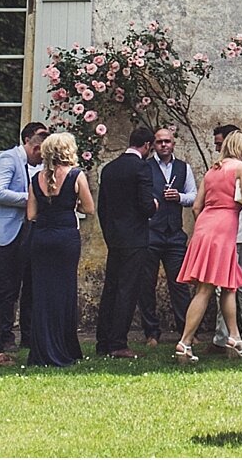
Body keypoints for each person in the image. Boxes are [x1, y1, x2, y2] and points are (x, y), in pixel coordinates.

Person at [175, 128, 242, 363]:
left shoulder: (212, 170)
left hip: (205, 226)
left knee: (228, 286)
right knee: (206, 289)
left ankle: (234, 338)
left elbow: (197, 206)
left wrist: (205, 227)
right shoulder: (241, 168)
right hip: (224, 228)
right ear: (241, 149)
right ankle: (185, 342)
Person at [0, 122, 45, 365]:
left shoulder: (29, 165)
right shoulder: (7, 159)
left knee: (8, 290)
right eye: (37, 144)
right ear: (26, 140)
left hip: (14, 234)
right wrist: (33, 198)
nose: (40, 152)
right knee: (1, 291)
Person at [24, 130, 96, 366]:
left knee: (42, 294)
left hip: (42, 237)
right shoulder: (76, 175)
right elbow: (89, 208)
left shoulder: (36, 178)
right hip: (65, 237)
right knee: (64, 292)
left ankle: (42, 348)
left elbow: (31, 214)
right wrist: (70, 204)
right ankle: (64, 346)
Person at [96, 125, 159, 357]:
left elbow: (102, 207)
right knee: (128, 290)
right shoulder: (141, 168)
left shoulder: (110, 168)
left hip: (114, 236)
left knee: (111, 288)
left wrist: (109, 233)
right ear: (146, 146)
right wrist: (154, 205)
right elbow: (145, 205)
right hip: (135, 237)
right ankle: (118, 343)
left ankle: (103, 341)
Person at [141, 127, 198, 344]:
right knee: (147, 284)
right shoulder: (145, 168)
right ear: (153, 145)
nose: (164, 145)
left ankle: (186, 331)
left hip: (174, 233)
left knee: (179, 284)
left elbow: (194, 196)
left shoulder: (183, 168)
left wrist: (179, 197)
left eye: (167, 141)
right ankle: (151, 333)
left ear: (173, 144)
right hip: (151, 232)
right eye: (159, 142)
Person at [212, 125, 242, 353]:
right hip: (241, 229)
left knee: (230, 284)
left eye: (221, 143)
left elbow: (241, 200)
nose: (218, 147)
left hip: (235, 230)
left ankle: (227, 337)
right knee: (241, 282)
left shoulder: (239, 167)